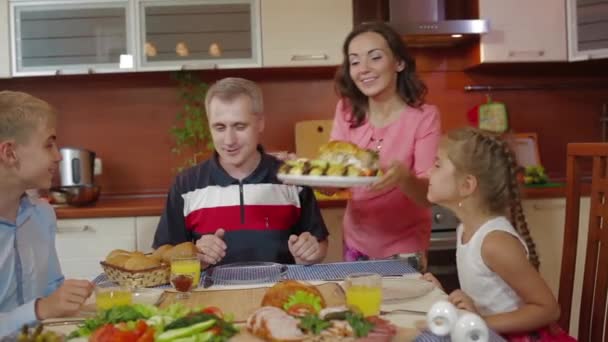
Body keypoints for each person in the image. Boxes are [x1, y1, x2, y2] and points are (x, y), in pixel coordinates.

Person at [153, 77, 329, 266]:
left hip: (279, 291)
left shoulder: (292, 177)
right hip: (209, 295)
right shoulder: (185, 185)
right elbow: (161, 255)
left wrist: (311, 252)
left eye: (239, 126)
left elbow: (320, 244)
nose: (229, 140)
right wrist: (194, 255)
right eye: (219, 127)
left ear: (260, 123)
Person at [424, 127, 572, 340]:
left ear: (467, 185)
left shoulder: (494, 242)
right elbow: (484, 299)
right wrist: (442, 295)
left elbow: (548, 309)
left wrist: (481, 322)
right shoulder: (465, 229)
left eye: (437, 165)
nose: (428, 172)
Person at [330, 22, 441, 262]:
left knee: (405, 301)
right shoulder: (346, 111)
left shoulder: (424, 117)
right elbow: (334, 179)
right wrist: (306, 176)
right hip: (355, 243)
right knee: (359, 301)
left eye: (375, 58)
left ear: (399, 63)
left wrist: (404, 177)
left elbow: (428, 195)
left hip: (405, 246)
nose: (364, 69)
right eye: (355, 61)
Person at [0, 91, 94, 336]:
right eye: (48, 144)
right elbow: (43, 308)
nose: (58, 155)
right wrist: (41, 309)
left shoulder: (42, 215)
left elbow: (52, 292)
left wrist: (70, 297)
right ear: (9, 153)